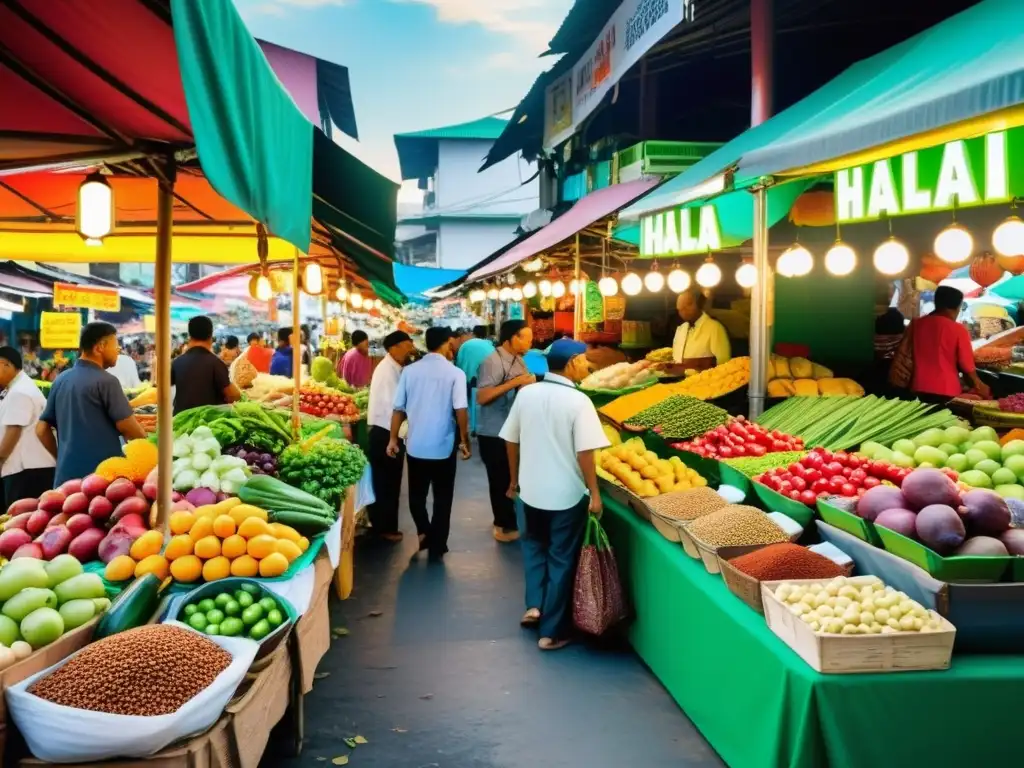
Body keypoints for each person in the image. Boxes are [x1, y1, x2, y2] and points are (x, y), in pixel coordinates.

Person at [499, 338, 609, 651]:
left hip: (530, 489)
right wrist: (595, 493)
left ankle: (534, 606)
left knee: (533, 547)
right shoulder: (579, 401)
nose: (587, 365)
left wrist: (513, 480)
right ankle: (552, 632)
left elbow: (510, 439)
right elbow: (585, 452)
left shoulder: (527, 394)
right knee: (561, 558)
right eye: (585, 360)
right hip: (566, 494)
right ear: (573, 361)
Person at [387, 327, 470, 559]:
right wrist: (464, 439)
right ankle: (438, 543)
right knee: (443, 498)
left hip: (416, 446)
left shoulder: (409, 372)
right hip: (444, 445)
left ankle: (424, 530)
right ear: (445, 343)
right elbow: (460, 409)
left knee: (416, 495)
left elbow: (398, 409)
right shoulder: (455, 374)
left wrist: (393, 438)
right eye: (451, 343)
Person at [36, 322, 146, 486]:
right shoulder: (107, 381)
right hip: (101, 481)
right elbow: (129, 429)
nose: (118, 350)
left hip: (65, 479)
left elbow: (41, 429)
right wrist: (149, 450)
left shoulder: (61, 379)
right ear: (100, 347)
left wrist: (61, 459)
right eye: (115, 345)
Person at [476, 320, 535, 542]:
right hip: (494, 432)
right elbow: (482, 397)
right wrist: (516, 382)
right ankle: (503, 525)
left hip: (513, 430)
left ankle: (510, 520)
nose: (531, 342)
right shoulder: (492, 362)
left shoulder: (519, 360)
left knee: (513, 478)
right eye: (526, 337)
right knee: (499, 479)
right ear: (512, 338)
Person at [366, 331, 416, 542]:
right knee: (386, 481)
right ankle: (384, 528)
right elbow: (393, 407)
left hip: (389, 431)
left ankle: (384, 525)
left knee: (388, 480)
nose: (410, 349)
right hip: (386, 433)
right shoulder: (387, 371)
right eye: (406, 345)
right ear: (393, 347)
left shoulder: (395, 368)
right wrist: (396, 438)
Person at [910, 286, 992, 404]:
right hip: (946, 388)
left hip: (918, 385)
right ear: (957, 307)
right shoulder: (958, 329)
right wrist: (979, 385)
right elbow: (966, 365)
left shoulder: (917, 324)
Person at [0, 347, 56, 503]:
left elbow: (13, 431)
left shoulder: (20, 392)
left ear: (5, 364)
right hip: (26, 470)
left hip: (28, 472)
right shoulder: (17, 388)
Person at [171, 316, 242, 414]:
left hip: (179, 421)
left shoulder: (177, 362)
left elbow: (162, 389)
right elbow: (232, 395)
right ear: (210, 335)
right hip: (207, 422)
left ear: (190, 336)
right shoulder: (216, 363)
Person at [672, 289, 731, 367]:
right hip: (681, 379)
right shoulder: (681, 329)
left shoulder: (715, 327)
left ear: (699, 304)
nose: (684, 311)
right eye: (680, 309)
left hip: (706, 378)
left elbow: (723, 364)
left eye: (688, 304)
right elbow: (676, 359)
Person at [455, 325, 495, 435]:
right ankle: (481, 423)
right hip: (486, 377)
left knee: (469, 401)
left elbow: (459, 363)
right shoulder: (490, 345)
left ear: (473, 333)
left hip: (468, 377)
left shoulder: (465, 345)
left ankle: (473, 426)